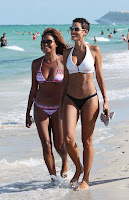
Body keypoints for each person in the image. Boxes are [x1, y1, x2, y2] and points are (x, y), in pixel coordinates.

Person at [60, 18, 109, 191]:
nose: (72, 31)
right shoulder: (67, 53)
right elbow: (65, 80)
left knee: (86, 141)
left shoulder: (94, 50)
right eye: (71, 28)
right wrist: (61, 103)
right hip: (70, 99)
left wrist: (105, 101)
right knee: (68, 139)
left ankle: (85, 178)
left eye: (76, 29)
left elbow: (99, 77)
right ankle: (78, 167)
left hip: (90, 99)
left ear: (85, 32)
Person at [26, 28, 68, 182]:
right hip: (40, 108)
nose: (45, 44)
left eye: (48, 41)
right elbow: (33, 88)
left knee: (59, 144)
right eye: (43, 42)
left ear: (56, 43)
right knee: (46, 144)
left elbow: (71, 84)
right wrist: (27, 112)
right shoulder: (36, 63)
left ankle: (65, 161)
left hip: (58, 108)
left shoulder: (63, 61)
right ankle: (53, 179)